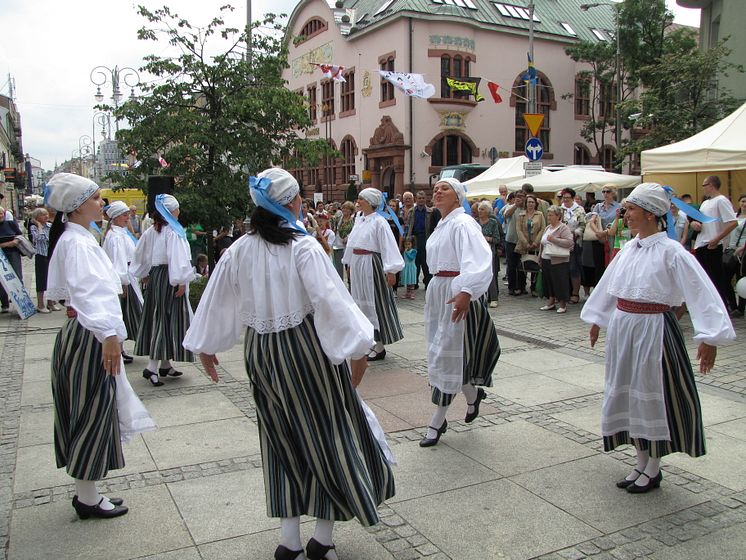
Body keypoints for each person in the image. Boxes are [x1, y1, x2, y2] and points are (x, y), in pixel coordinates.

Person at [183, 168, 395, 560]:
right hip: (304, 350)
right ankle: (322, 538)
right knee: (329, 434)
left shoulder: (240, 248)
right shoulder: (303, 245)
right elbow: (331, 300)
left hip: (260, 353)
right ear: (293, 203)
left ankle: (289, 541)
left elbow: (216, 298)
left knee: (280, 437)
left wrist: (206, 345)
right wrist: (359, 347)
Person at [581, 182, 735, 494]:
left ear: (651, 214)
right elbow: (609, 285)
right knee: (627, 393)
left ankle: (653, 468)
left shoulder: (671, 252)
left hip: (654, 330)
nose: (626, 215)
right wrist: (598, 318)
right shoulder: (629, 250)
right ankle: (640, 461)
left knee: (652, 394)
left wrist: (709, 337)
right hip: (625, 329)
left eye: (631, 209)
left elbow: (700, 292)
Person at [45, 173, 154, 520]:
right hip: (90, 335)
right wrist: (109, 336)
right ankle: (87, 498)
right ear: (77, 207)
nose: (100, 204)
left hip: (86, 332)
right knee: (91, 410)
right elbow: (90, 292)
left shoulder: (79, 237)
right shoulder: (77, 243)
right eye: (94, 199)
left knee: (90, 407)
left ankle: (88, 492)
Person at [420, 178, 500, 447]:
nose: (437, 192)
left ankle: (438, 419)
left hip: (456, 292)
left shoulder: (464, 223)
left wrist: (466, 291)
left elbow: (479, 259)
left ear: (458, 196)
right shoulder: (442, 224)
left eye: (444, 188)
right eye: (435, 189)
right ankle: (473, 396)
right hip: (439, 290)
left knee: (446, 355)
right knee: (443, 352)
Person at [131, 194, 195, 387]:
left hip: (158, 276)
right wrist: (181, 280)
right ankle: (151, 367)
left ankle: (165, 364)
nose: (179, 211)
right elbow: (177, 258)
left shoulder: (153, 230)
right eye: (176, 208)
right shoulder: (173, 232)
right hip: (169, 277)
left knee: (161, 317)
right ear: (170, 211)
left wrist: (143, 271)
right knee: (164, 318)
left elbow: (140, 252)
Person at [343, 188, 404, 361]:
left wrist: (391, 270)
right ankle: (370, 341)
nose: (358, 201)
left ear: (370, 202)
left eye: (361, 199)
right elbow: (352, 243)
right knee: (360, 303)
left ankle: (379, 345)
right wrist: (348, 263)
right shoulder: (359, 219)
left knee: (375, 302)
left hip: (371, 264)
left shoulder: (379, 222)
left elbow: (388, 245)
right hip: (358, 263)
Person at [102, 201, 144, 364]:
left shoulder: (119, 233)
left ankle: (120, 348)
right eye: (125, 215)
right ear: (117, 217)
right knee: (124, 314)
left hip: (128, 276)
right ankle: (118, 348)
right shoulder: (115, 236)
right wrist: (123, 282)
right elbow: (118, 261)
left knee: (124, 315)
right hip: (123, 279)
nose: (128, 218)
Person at [691, 175, 738, 312]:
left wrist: (717, 239)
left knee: (717, 279)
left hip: (713, 245)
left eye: (704, 185)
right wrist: (695, 224)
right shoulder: (705, 203)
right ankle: (711, 308)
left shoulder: (721, 200)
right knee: (706, 279)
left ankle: (723, 307)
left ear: (711, 185)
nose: (703, 188)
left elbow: (732, 222)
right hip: (701, 244)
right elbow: (701, 221)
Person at [539, 206, 574, 313]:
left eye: (551, 215)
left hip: (558, 260)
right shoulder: (547, 228)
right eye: (548, 215)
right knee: (548, 281)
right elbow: (542, 243)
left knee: (560, 281)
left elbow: (570, 242)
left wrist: (554, 240)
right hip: (546, 258)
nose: (548, 217)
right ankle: (551, 301)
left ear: (558, 216)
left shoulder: (563, 228)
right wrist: (540, 256)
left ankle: (562, 304)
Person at [29, 207, 60, 313]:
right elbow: (40, 239)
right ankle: (40, 304)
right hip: (41, 256)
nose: (46, 216)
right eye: (43, 215)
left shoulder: (50, 226)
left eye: (46, 214)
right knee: (41, 280)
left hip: (50, 255)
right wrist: (39, 226)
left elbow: (52, 239)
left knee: (51, 279)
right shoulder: (34, 227)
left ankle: (50, 303)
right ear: (37, 217)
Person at [404, 191, 436, 288]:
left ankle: (427, 283)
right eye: (419, 198)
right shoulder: (411, 211)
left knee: (426, 262)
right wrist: (407, 238)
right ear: (416, 199)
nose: (421, 200)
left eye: (423, 198)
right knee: (415, 262)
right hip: (414, 238)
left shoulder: (430, 212)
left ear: (425, 199)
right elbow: (408, 225)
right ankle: (414, 283)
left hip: (426, 237)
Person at [515, 194, 545, 297]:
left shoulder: (540, 214)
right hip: (523, 244)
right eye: (528, 202)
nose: (530, 204)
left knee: (534, 265)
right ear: (526, 203)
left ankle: (533, 288)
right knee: (522, 265)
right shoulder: (521, 215)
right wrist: (525, 242)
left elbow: (542, 228)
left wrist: (536, 242)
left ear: (535, 203)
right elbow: (518, 229)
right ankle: (520, 287)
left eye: (532, 202)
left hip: (535, 244)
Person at [559, 188, 586, 303]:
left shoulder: (579, 210)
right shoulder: (560, 209)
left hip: (575, 242)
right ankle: (563, 292)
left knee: (574, 268)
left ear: (573, 198)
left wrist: (576, 233)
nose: (565, 200)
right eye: (563, 197)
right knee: (562, 268)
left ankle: (575, 293)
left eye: (567, 198)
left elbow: (583, 225)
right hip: (561, 241)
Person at [477, 200, 502, 307]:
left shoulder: (493, 222)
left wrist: (486, 238)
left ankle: (494, 298)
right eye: (479, 209)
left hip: (488, 250)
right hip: (477, 251)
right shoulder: (475, 222)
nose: (480, 211)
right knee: (478, 274)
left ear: (487, 211)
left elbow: (497, 238)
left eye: (482, 209)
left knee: (490, 274)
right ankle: (480, 296)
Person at [0, 207, 24, 313]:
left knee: (17, 277)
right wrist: (8, 244)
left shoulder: (11, 224)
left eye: (1, 213)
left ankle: (22, 304)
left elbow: (20, 237)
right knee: (1, 280)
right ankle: (5, 304)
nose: (0, 215)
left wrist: (15, 242)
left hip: (13, 253)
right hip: (1, 256)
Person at [503, 191, 526, 296]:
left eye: (522, 197)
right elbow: (506, 215)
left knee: (522, 264)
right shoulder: (511, 207)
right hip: (511, 240)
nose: (520, 199)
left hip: (523, 241)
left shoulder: (527, 208)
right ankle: (511, 287)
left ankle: (522, 286)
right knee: (511, 264)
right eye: (518, 197)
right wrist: (515, 205)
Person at [331, 201, 355, 280]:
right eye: (344, 208)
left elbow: (355, 231)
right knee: (338, 266)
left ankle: (350, 282)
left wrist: (348, 237)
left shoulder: (353, 220)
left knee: (348, 266)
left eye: (347, 208)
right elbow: (334, 229)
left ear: (351, 210)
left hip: (349, 246)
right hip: (338, 245)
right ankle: (339, 282)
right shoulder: (338, 219)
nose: (345, 210)